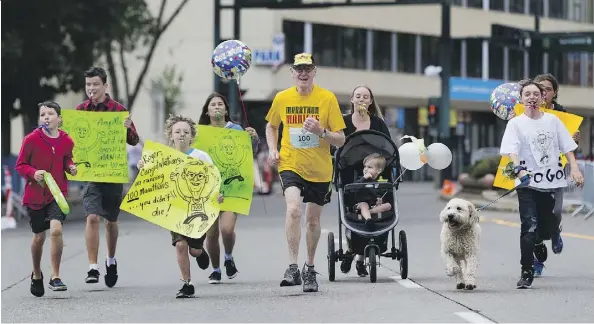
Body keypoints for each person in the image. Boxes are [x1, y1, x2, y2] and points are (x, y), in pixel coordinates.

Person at [265, 53, 346, 292]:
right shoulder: (282, 98)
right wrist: (272, 148)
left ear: (314, 72)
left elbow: (341, 139)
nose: (303, 73)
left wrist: (321, 131)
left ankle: (309, 268)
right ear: (292, 73)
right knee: (293, 209)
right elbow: (272, 125)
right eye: (298, 69)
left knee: (312, 221)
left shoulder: (327, 98)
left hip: (320, 169)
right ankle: (292, 267)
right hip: (291, 163)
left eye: (307, 69)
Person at [500, 79, 584, 289]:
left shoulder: (553, 121)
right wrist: (518, 168)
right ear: (521, 99)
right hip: (527, 184)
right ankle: (526, 271)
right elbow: (512, 150)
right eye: (527, 94)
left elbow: (567, 147)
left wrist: (574, 168)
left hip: (551, 182)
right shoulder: (515, 123)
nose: (532, 97)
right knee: (528, 227)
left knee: (549, 223)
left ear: (542, 97)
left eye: (536, 94)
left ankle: (544, 239)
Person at [137, 114, 221, 298]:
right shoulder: (164, 156)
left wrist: (217, 195)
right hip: (174, 209)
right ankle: (187, 283)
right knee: (180, 245)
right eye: (177, 131)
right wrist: (142, 166)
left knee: (194, 249)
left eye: (186, 132)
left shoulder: (201, 156)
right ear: (171, 135)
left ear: (191, 136)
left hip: (197, 209)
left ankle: (200, 252)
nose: (182, 135)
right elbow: (151, 177)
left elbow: (213, 179)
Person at [77, 67, 140, 287]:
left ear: (105, 86)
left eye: (95, 84)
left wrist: (126, 128)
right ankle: (92, 267)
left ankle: (110, 260)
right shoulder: (81, 110)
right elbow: (74, 140)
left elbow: (134, 140)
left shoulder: (118, 109)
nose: (91, 89)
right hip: (92, 172)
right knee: (92, 216)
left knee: (111, 220)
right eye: (88, 85)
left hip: (113, 172)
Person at [15, 101, 77, 297]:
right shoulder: (31, 139)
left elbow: (67, 159)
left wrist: (71, 167)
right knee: (39, 237)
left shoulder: (67, 141)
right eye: (43, 115)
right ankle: (36, 273)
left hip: (57, 194)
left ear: (59, 118)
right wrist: (34, 173)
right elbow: (21, 165)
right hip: (35, 195)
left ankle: (55, 276)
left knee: (56, 230)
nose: (47, 118)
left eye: (50, 114)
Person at [198, 92, 260, 284]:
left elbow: (248, 153)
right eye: (212, 105)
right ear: (207, 112)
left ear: (226, 109)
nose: (216, 107)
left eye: (220, 104)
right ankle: (216, 269)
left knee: (226, 229)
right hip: (208, 190)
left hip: (232, 187)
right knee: (211, 233)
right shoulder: (200, 133)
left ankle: (228, 257)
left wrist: (254, 138)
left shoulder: (236, 129)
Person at [338, 85, 391, 277]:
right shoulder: (342, 121)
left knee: (382, 206)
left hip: (375, 170)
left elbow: (387, 148)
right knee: (351, 214)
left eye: (365, 97)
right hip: (350, 174)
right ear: (352, 100)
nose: (361, 99)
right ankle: (352, 251)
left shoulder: (377, 123)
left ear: (370, 102)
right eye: (358, 96)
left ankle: (360, 257)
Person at [532, 73, 581, 276]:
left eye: (548, 89)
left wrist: (574, 140)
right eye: (539, 88)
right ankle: (536, 261)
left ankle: (555, 231)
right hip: (532, 174)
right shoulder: (527, 113)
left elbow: (569, 147)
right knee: (531, 220)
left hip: (554, 173)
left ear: (554, 93)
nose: (543, 92)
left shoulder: (562, 115)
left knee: (556, 212)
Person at [352, 153, 393, 227]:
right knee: (364, 205)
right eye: (365, 167)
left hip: (373, 206)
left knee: (388, 205)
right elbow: (354, 188)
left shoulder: (379, 183)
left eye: (369, 167)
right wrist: (363, 178)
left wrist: (380, 200)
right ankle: (368, 219)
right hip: (360, 205)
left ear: (378, 170)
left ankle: (368, 212)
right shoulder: (360, 179)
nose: (365, 169)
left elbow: (379, 195)